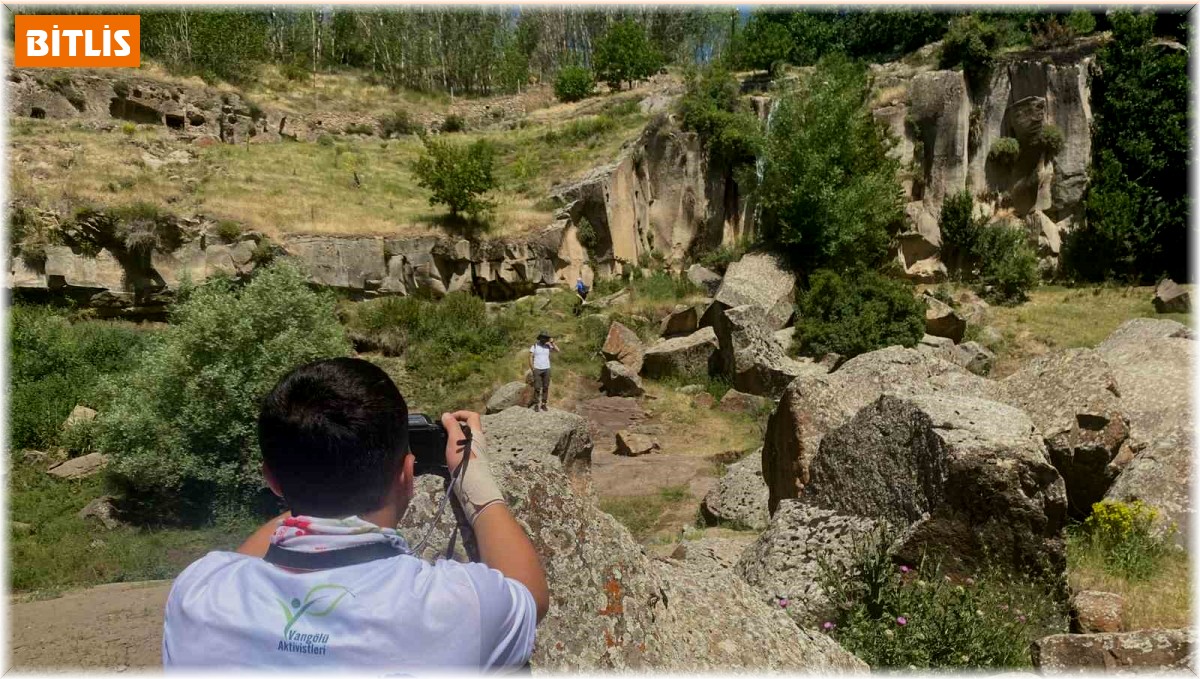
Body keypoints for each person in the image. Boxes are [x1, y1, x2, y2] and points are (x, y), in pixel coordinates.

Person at [161, 357, 549, 671]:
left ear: (272, 480)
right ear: (407, 474)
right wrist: (473, 479)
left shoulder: (197, 595)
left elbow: (240, 561)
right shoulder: (455, 608)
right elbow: (529, 596)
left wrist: (310, 481)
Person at [528, 331, 558, 412]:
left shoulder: (548, 346)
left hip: (547, 369)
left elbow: (557, 350)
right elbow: (530, 357)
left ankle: (543, 404)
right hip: (537, 369)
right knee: (537, 387)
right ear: (540, 337)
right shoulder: (534, 346)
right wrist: (532, 368)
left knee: (546, 387)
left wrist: (553, 343)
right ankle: (536, 404)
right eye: (543, 337)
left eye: (546, 337)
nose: (544, 339)